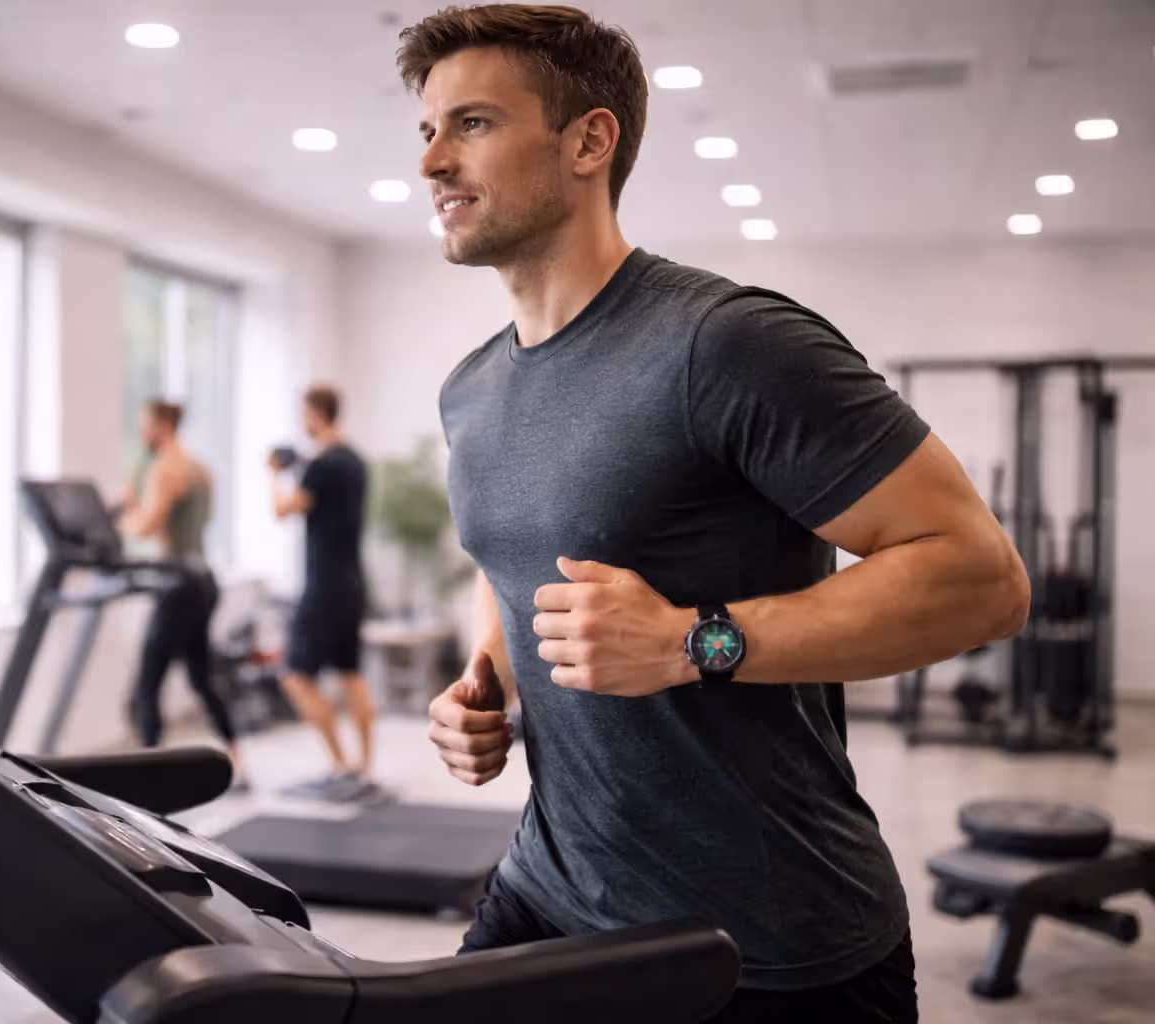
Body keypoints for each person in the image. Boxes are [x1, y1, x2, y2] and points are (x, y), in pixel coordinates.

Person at [401, 7, 1030, 1022]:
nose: (432, 159)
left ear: (588, 142)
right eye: (425, 130)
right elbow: (513, 556)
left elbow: (982, 577)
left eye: (470, 122)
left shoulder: (725, 344)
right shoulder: (471, 389)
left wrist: (697, 641)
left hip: (767, 940)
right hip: (550, 891)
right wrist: (486, 685)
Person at [120, 399, 244, 787]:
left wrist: (126, 514)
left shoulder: (165, 469)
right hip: (204, 579)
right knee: (201, 678)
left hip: (177, 584)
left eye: (144, 424)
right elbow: (200, 520)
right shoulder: (199, 468)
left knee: (148, 682)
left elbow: (147, 524)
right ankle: (239, 763)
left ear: (160, 425)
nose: (141, 432)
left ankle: (148, 782)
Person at [269, 385, 376, 801]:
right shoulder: (356, 462)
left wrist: (275, 473)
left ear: (316, 414)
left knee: (295, 677)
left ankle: (340, 764)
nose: (302, 422)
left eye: (304, 414)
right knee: (352, 676)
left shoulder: (321, 465)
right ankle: (364, 769)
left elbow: (282, 510)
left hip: (323, 587)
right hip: (352, 584)